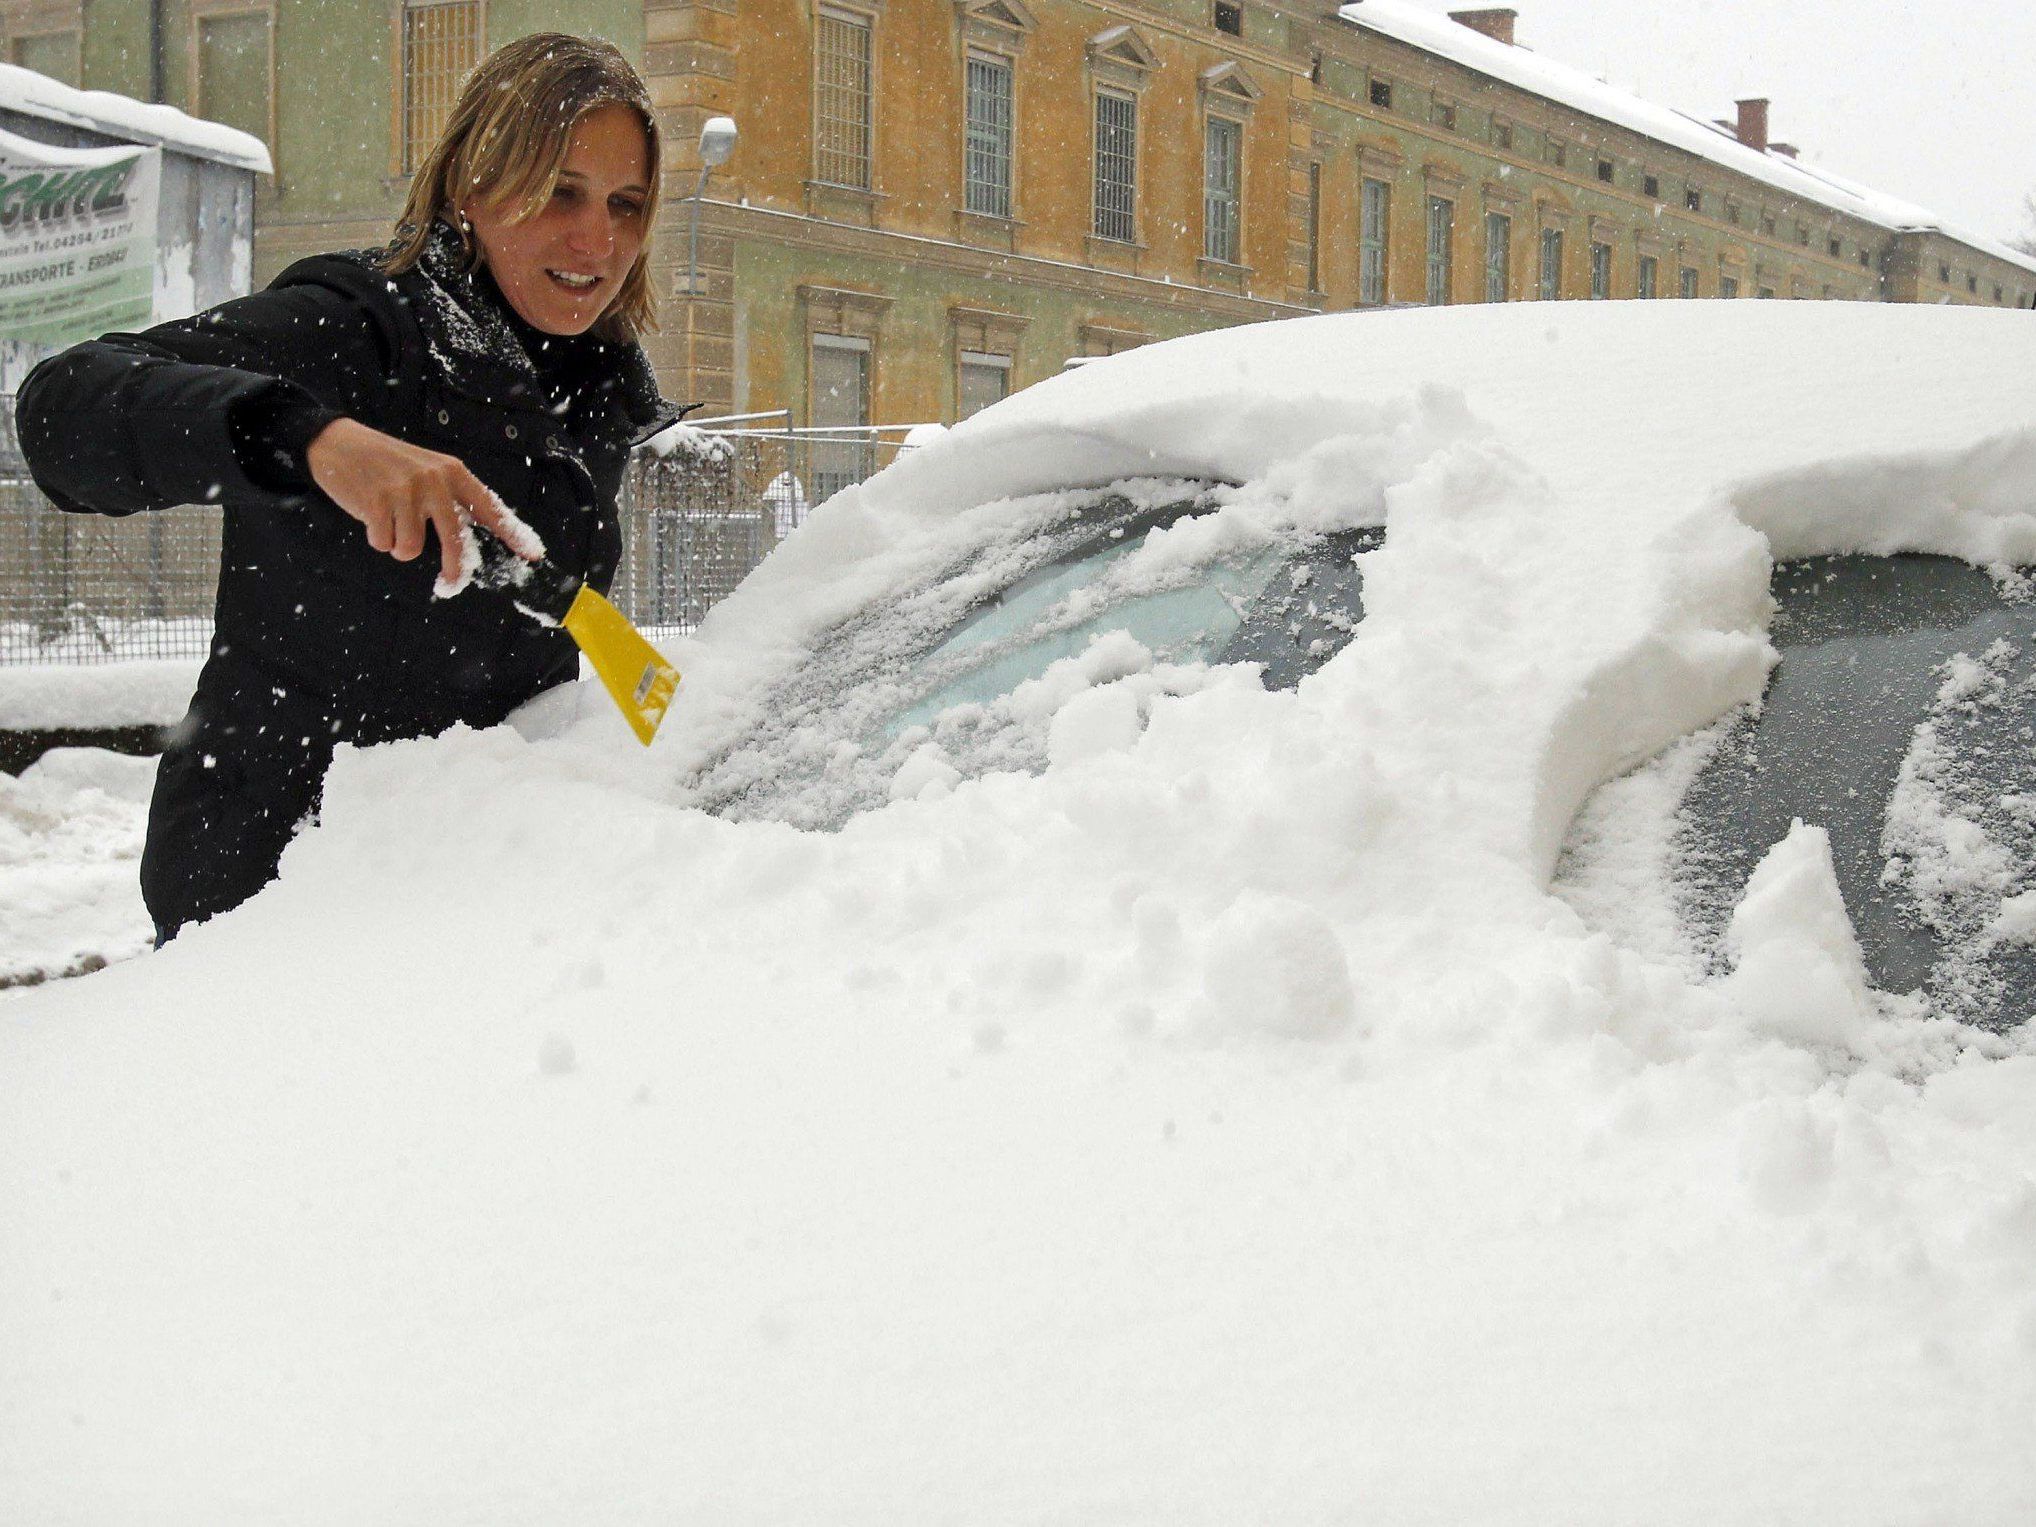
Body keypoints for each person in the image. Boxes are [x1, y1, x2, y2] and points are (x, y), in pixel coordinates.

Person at [16, 33, 683, 942]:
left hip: (472, 891)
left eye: (627, 204)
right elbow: (64, 409)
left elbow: (547, 624)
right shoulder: (358, 327)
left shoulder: (590, 387)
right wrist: (316, 439)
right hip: (270, 899)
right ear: (471, 186)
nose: (597, 239)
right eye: (560, 190)